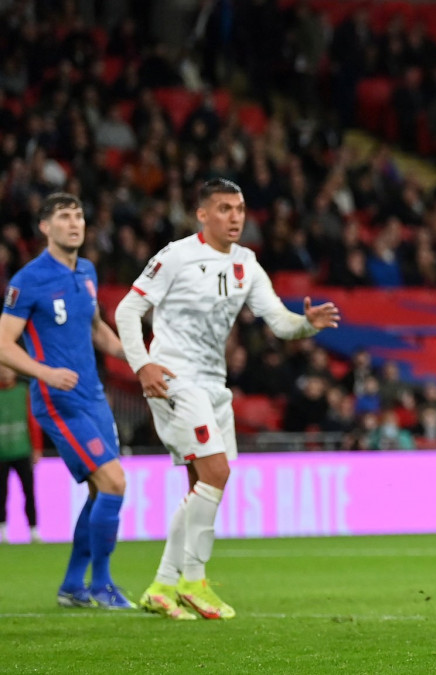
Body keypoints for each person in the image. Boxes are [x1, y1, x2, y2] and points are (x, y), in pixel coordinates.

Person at [114, 178, 341, 620]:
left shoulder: (246, 263)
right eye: (224, 209)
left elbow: (280, 323)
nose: (235, 217)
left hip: (213, 385)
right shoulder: (176, 255)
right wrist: (143, 366)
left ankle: (163, 585)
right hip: (174, 377)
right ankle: (194, 581)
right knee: (216, 473)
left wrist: (306, 324)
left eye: (239, 209)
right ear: (202, 214)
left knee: (201, 486)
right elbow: (127, 310)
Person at [0, 193, 133, 608]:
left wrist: (136, 356)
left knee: (100, 492)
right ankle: (102, 584)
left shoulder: (87, 271)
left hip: (93, 397)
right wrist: (43, 372)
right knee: (114, 482)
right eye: (64, 216)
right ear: (45, 227)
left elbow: (97, 329)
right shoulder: (28, 279)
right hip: (58, 399)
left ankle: (74, 586)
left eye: (79, 216)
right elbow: (3, 343)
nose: (75, 223)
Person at [0, 363, 40, 544]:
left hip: (22, 451)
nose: (5, 373)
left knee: (29, 492)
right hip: (2, 453)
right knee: (1, 493)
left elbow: (33, 420)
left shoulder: (24, 391)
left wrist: (36, 448)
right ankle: (2, 531)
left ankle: (33, 529)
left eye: (7, 369)